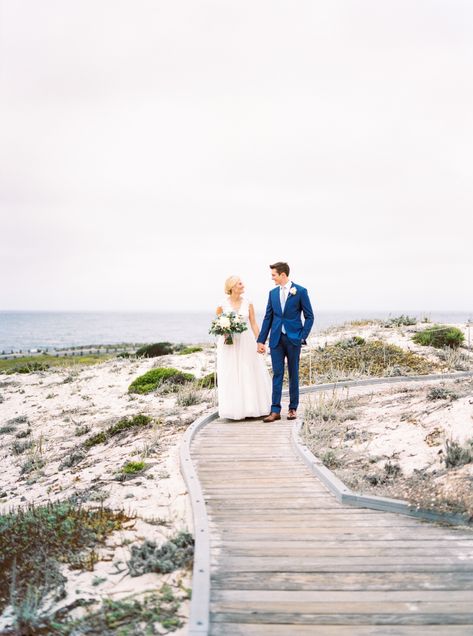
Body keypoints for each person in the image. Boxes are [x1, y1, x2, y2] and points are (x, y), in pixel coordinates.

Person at [257, 262, 314, 422]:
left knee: (293, 373)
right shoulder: (272, 293)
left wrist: (303, 336)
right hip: (276, 339)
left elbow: (309, 316)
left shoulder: (300, 291)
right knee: (277, 373)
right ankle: (275, 410)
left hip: (294, 338)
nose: (272, 278)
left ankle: (292, 409)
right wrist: (261, 340)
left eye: (273, 275)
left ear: (283, 275)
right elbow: (268, 317)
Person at [215, 276, 272, 420]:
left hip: (247, 341)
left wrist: (260, 341)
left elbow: (253, 323)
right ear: (233, 286)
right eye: (240, 283)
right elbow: (218, 324)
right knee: (232, 372)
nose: (243, 285)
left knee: (249, 371)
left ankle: (252, 407)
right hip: (229, 344)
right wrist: (226, 332)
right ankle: (234, 409)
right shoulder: (222, 304)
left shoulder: (248, 302)